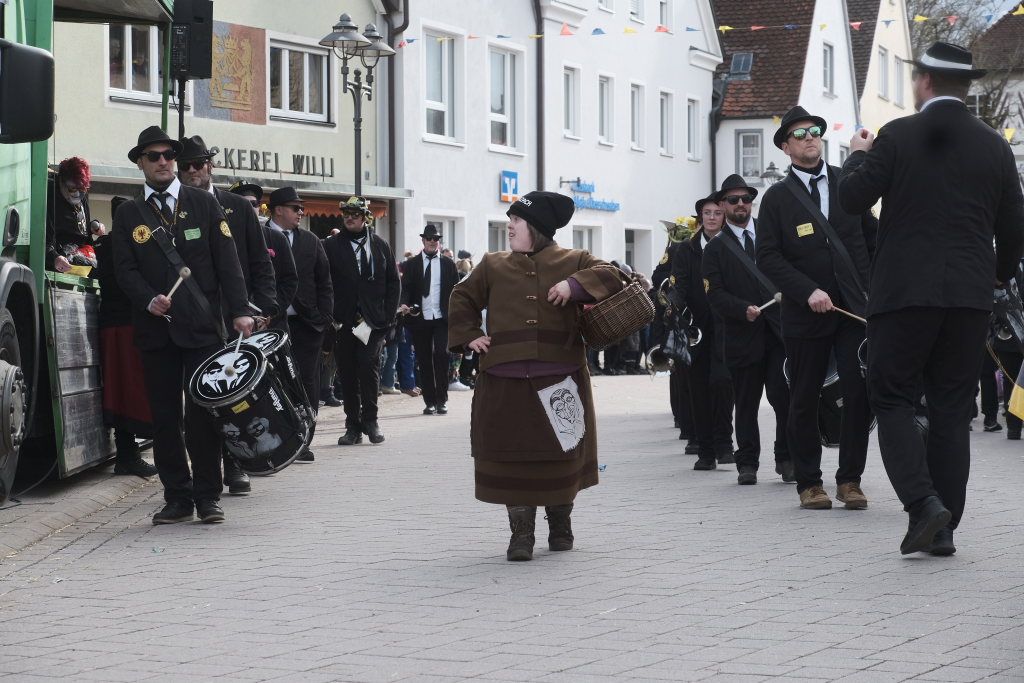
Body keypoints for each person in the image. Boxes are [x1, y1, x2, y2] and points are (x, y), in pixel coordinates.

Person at [838, 42, 1024, 555]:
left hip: (904, 293)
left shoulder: (897, 135)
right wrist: (996, 276)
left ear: (924, 81)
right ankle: (943, 530)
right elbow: (1015, 226)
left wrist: (857, 156)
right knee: (951, 408)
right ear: (965, 87)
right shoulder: (994, 145)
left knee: (892, 397)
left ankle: (922, 504)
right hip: (968, 297)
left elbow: (851, 199)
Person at [448, 190, 624, 562]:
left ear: (537, 227)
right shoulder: (492, 264)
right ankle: (521, 534)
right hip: (504, 380)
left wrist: (574, 286)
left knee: (562, 454)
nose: (510, 227)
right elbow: (462, 297)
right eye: (510, 220)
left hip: (560, 379)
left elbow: (614, 276)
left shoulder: (575, 260)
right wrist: (470, 335)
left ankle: (560, 525)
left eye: (517, 220)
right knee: (511, 457)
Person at [111, 125, 253, 525]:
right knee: (164, 418)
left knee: (203, 414)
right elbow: (124, 270)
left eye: (168, 155)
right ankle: (177, 496)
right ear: (140, 163)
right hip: (155, 331)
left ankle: (208, 496)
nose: (163, 162)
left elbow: (228, 262)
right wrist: (148, 299)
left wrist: (240, 310)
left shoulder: (203, 203)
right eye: (153, 156)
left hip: (202, 329)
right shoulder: (128, 214)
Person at [755, 106, 877, 510]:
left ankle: (850, 480)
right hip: (804, 314)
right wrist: (807, 291)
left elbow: (872, 241)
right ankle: (809, 482)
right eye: (800, 133)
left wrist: (875, 291)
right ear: (786, 147)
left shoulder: (848, 183)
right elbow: (767, 257)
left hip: (852, 311)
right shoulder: (776, 198)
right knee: (804, 397)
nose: (810, 137)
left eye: (815, 131)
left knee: (857, 394)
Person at [178, 136, 279, 495]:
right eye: (185, 165)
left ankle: (235, 464)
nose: (192, 170)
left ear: (210, 166)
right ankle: (206, 472)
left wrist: (263, 308)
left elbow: (260, 263)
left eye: (198, 163)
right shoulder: (175, 209)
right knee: (203, 399)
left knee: (236, 397)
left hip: (238, 317)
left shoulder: (237, 207)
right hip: (198, 319)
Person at [702, 174, 794, 486]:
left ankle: (786, 458)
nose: (741, 204)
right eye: (733, 200)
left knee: (784, 398)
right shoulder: (715, 248)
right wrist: (742, 309)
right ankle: (747, 463)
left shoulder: (772, 236)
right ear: (723, 206)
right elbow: (715, 294)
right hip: (742, 336)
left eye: (746, 199)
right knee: (746, 404)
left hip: (778, 334)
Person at [324, 197, 401, 446]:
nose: (349, 218)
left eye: (355, 214)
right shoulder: (331, 245)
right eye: (346, 214)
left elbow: (393, 282)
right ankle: (352, 426)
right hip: (343, 321)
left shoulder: (379, 244)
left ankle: (371, 420)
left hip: (373, 321)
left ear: (365, 217)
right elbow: (323, 281)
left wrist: (388, 317)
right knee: (347, 373)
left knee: (368, 367)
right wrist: (329, 314)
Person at [266, 187, 333, 462]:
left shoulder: (310, 240)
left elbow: (324, 282)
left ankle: (304, 441)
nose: (301, 213)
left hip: (308, 324)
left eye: (302, 208)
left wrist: (324, 318)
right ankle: (281, 441)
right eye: (295, 208)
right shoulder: (259, 236)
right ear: (278, 210)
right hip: (271, 325)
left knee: (307, 381)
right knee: (277, 382)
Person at [670, 196, 736, 470]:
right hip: (696, 328)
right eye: (707, 213)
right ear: (700, 218)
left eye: (717, 213)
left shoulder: (732, 244)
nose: (711, 217)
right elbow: (679, 285)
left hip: (727, 324)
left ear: (724, 217)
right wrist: (673, 305)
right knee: (697, 388)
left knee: (723, 384)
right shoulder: (686, 249)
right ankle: (705, 450)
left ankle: (725, 444)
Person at [95, 195, 157, 478]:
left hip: (117, 323)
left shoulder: (105, 244)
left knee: (122, 391)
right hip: (127, 324)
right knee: (129, 391)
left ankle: (127, 453)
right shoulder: (127, 242)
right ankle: (128, 455)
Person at [399, 225, 459, 415]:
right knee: (424, 359)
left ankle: (442, 400)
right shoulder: (412, 264)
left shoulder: (448, 264)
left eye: (436, 239)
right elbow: (406, 288)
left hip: (442, 318)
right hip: (420, 317)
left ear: (439, 241)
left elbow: (457, 291)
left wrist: (458, 313)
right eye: (429, 238)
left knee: (441, 355)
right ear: (423, 240)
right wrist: (404, 303)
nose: (432, 241)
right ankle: (430, 402)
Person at [228, 180, 298, 335]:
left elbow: (289, 281)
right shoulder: (222, 239)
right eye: (243, 204)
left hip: (272, 326)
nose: (250, 208)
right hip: (233, 325)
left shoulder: (277, 238)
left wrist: (270, 313)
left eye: (254, 204)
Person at [46, 157, 106, 273]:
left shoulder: (82, 199)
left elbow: (82, 231)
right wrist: (54, 257)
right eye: (72, 189)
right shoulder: (49, 195)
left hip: (81, 260)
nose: (77, 194)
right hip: (59, 263)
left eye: (82, 189)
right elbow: (42, 237)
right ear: (62, 181)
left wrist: (93, 226)